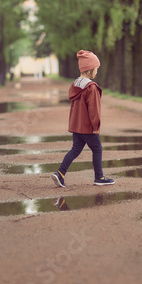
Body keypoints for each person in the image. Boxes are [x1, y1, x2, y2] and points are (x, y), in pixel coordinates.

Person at [52, 50, 115, 187]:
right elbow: (94, 110)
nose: (97, 72)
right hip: (87, 127)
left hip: (76, 126)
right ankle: (99, 177)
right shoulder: (91, 88)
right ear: (89, 70)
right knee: (97, 149)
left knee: (75, 150)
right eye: (96, 69)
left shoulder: (75, 85)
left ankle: (60, 173)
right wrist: (95, 127)